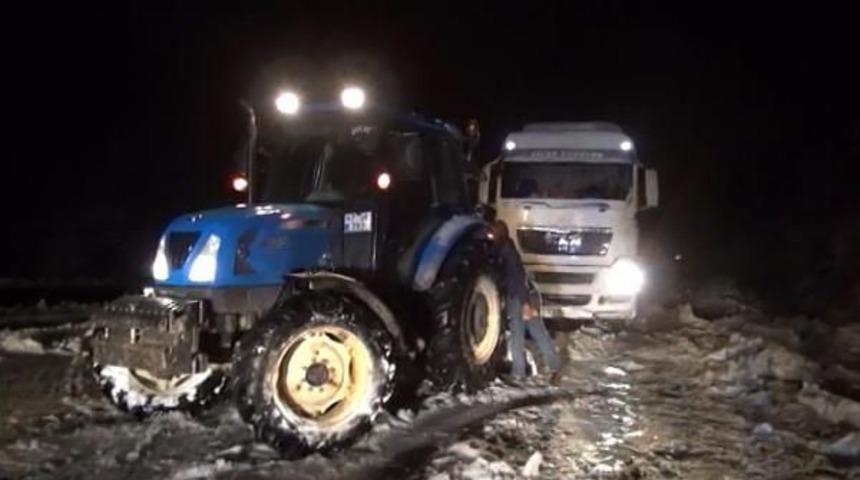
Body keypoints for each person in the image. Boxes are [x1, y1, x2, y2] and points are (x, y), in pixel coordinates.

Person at [491, 221, 561, 380]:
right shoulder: (509, 249)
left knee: (517, 336)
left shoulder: (506, 252)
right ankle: (554, 366)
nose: (490, 235)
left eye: (493, 232)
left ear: (499, 233)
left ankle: (518, 373)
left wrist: (525, 304)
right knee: (539, 333)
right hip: (528, 296)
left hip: (520, 299)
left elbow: (517, 279)